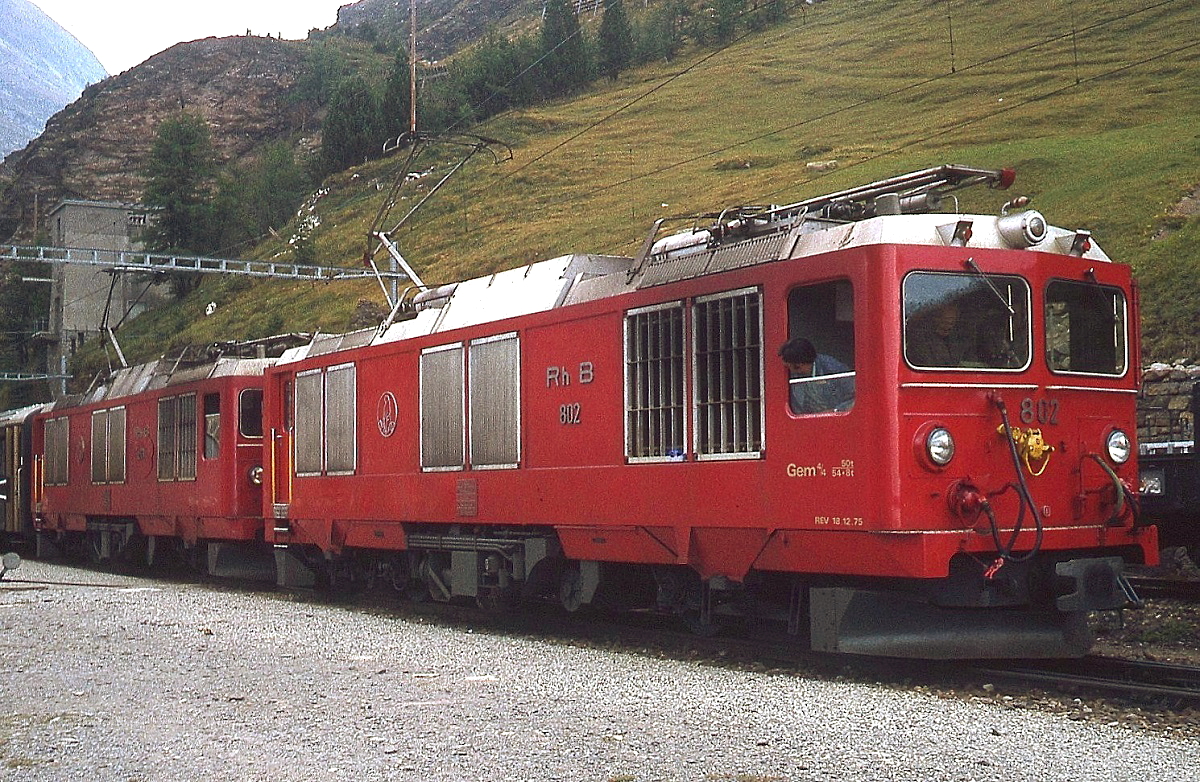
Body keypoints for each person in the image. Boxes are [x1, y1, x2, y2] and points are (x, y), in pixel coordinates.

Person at [779, 337, 855, 414]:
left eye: (796, 367)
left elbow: (855, 397)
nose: (792, 371)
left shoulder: (832, 368)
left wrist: (836, 410)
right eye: (788, 367)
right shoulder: (788, 375)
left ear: (808, 361)